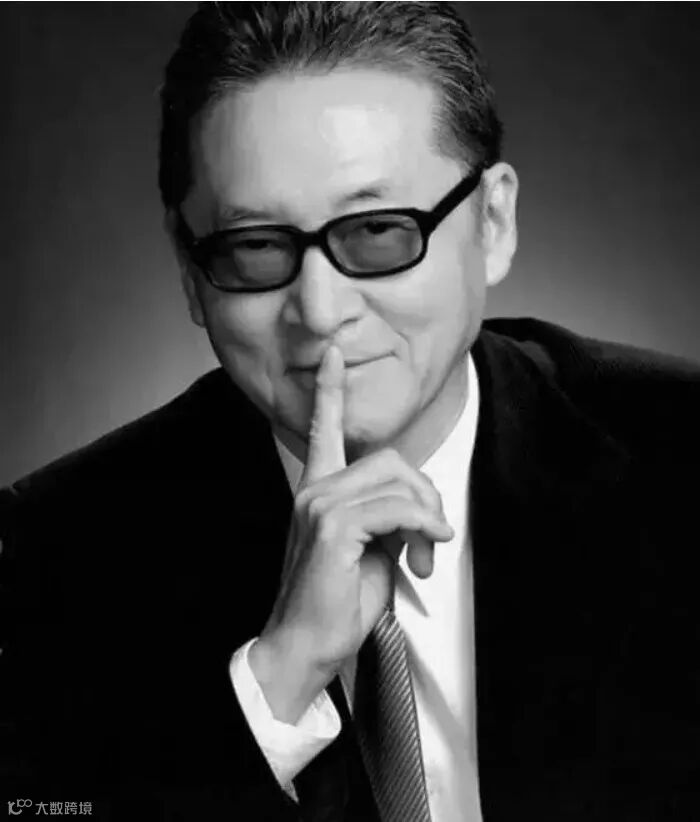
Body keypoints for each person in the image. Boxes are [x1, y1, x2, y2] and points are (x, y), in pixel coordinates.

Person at [1, 3, 699, 820]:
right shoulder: (48, 555)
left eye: (376, 232)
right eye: (256, 246)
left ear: (493, 222)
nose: (321, 310)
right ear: (191, 274)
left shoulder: (681, 457)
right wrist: (278, 679)